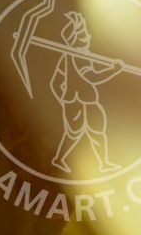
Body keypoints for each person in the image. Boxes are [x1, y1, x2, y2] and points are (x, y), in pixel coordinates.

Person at [48, 11, 130, 175]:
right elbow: (92, 77)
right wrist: (114, 70)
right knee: (74, 133)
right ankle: (60, 159)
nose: (88, 36)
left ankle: (104, 163)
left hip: (84, 99)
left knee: (96, 130)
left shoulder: (72, 56)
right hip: (78, 100)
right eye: (84, 33)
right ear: (76, 37)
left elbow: (56, 81)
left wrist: (63, 97)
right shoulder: (78, 56)